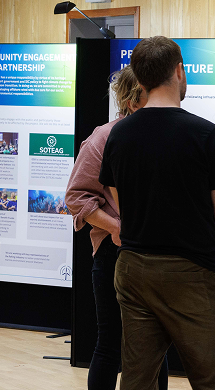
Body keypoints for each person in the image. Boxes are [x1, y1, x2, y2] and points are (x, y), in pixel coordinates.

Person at [98, 36, 215, 389]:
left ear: (140, 78)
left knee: (138, 376)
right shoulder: (206, 134)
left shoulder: (118, 135)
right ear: (179, 71)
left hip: (133, 267)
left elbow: (121, 204)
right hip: (192, 270)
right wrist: (200, 260)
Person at [65, 66, 169, 390]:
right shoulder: (102, 138)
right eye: (152, 93)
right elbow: (75, 197)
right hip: (115, 253)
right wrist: (115, 227)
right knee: (111, 343)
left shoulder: (164, 134)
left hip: (158, 251)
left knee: (156, 344)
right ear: (132, 99)